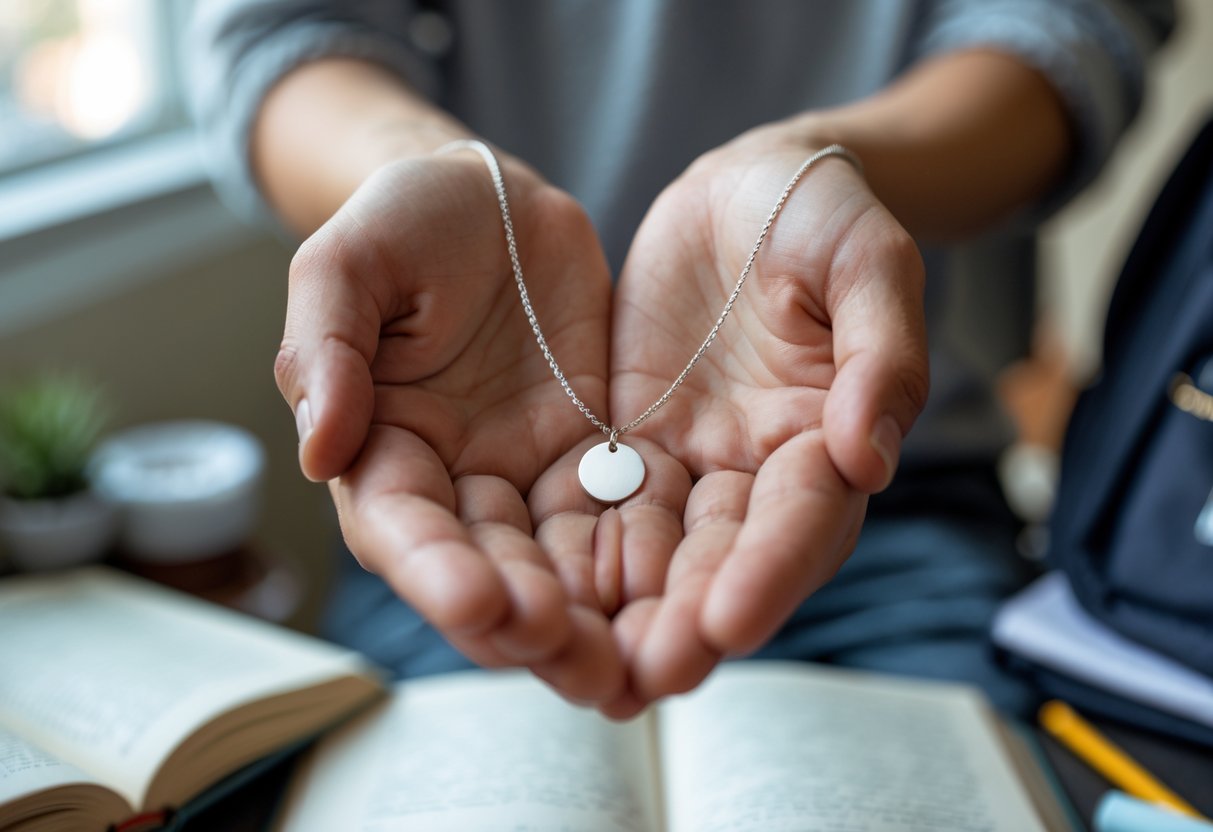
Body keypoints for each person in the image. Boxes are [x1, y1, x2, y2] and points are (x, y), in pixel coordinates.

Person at [188, 0, 1173, 718]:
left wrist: (832, 162)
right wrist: (414, 166)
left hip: (892, 486)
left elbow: (1075, 25)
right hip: (469, 466)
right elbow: (280, 33)